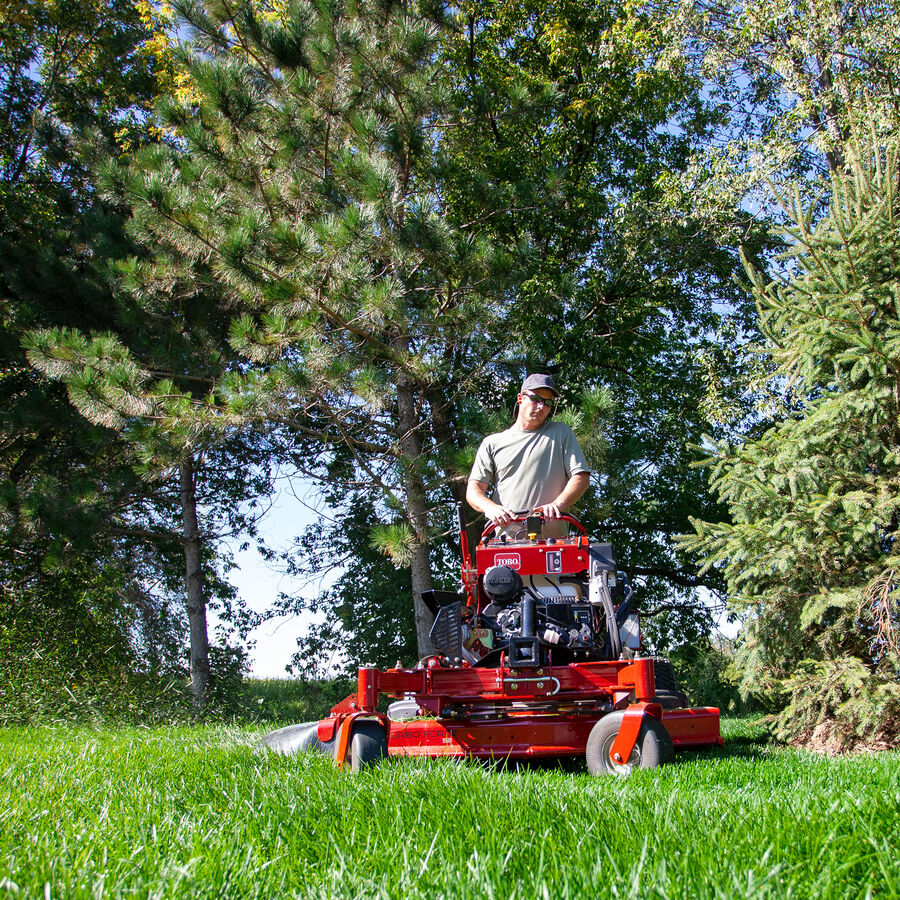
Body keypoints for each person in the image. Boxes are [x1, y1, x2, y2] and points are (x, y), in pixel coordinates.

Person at [466, 373, 591, 538]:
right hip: (507, 548)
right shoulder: (493, 443)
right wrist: (491, 508)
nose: (541, 407)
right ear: (520, 398)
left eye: (547, 403)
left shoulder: (561, 433)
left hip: (554, 546)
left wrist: (556, 505)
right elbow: (473, 491)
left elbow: (581, 477)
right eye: (536, 399)